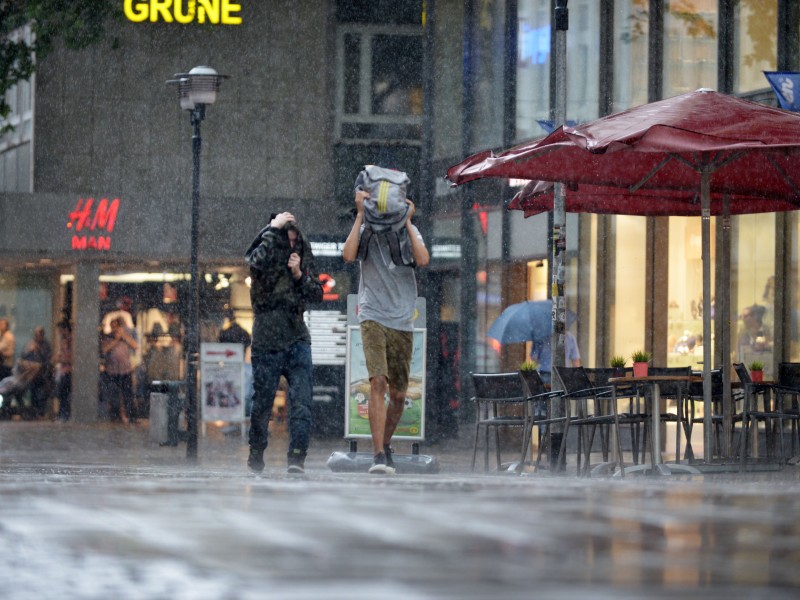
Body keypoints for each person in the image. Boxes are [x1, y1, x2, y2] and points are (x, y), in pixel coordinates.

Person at [342, 187, 430, 474]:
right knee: (377, 383)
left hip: (403, 320)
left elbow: (423, 259)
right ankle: (378, 455)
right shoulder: (365, 228)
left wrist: (407, 220)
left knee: (400, 396)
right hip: (371, 315)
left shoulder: (409, 229)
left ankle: (386, 443)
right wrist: (359, 214)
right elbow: (348, 255)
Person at [245, 211, 323, 474]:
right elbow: (253, 264)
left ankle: (297, 458)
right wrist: (272, 229)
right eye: (285, 239)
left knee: (302, 401)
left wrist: (299, 273)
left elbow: (317, 293)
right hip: (267, 339)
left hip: (297, 338)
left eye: (293, 239)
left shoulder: (301, 255)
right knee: (262, 404)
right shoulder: (264, 253)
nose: (290, 245)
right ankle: (256, 453)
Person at [101, 316, 139, 423]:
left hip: (125, 370)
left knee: (128, 394)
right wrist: (116, 340)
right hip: (113, 371)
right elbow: (104, 350)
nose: (115, 329)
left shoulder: (126, 337)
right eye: (112, 327)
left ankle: (132, 416)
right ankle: (115, 416)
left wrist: (124, 336)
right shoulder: (108, 338)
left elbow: (135, 345)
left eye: (116, 327)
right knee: (114, 395)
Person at [18, 326, 54, 418]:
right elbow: (23, 356)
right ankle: (34, 412)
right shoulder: (31, 344)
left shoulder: (46, 345)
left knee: (41, 394)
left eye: (39, 334)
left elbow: (47, 359)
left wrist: (40, 352)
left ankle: (41, 412)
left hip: (42, 373)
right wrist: (29, 351)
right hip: (32, 373)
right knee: (33, 392)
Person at [55, 319, 73, 421]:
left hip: (67, 370)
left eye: (60, 330)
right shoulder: (64, 340)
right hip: (63, 370)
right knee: (62, 393)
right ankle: (62, 414)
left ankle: (64, 414)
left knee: (64, 394)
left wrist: (61, 360)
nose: (58, 332)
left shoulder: (70, 340)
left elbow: (70, 357)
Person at [0, 317, 15, 382]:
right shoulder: (3, 335)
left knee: (4, 384)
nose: (0, 326)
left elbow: (0, 348)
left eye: (2, 324)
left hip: (5, 365)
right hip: (4, 364)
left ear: (7, 326)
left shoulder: (8, 336)